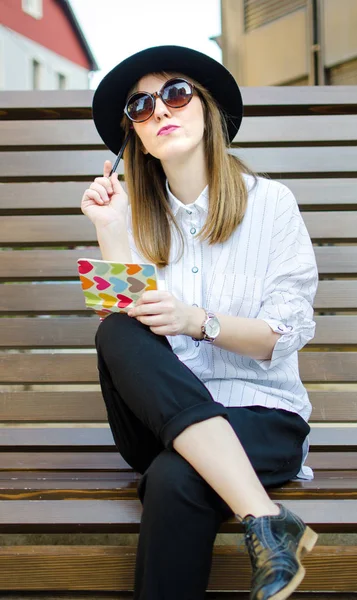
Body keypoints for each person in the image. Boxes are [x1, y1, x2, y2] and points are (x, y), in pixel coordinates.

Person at [81, 45, 319, 600]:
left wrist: (198, 321)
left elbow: (287, 335)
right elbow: (123, 331)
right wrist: (110, 227)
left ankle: (266, 524)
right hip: (156, 421)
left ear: (207, 108)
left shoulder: (272, 204)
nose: (160, 110)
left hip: (263, 415)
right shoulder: (132, 213)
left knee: (175, 477)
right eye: (140, 107)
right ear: (135, 135)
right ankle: (264, 515)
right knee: (117, 327)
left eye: (176, 93)